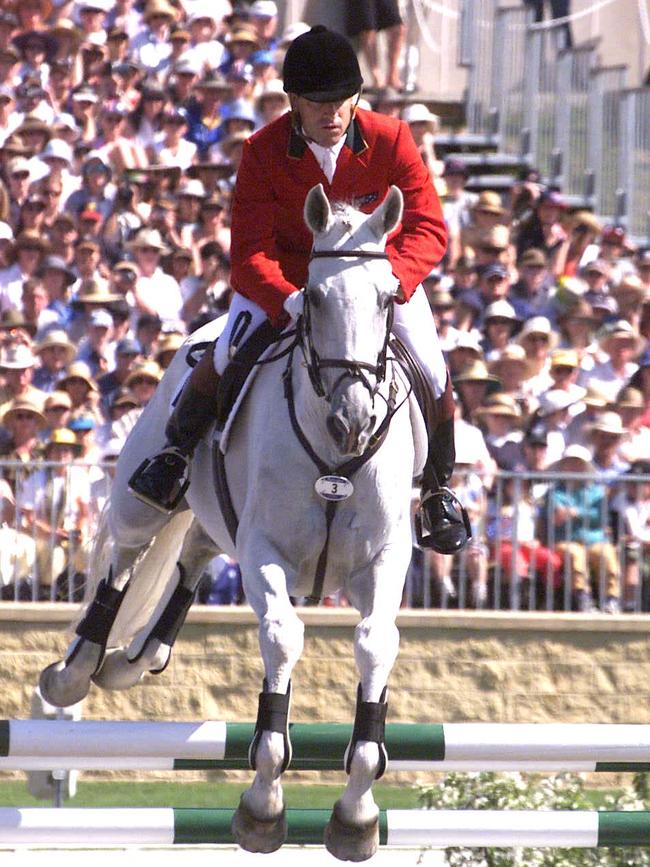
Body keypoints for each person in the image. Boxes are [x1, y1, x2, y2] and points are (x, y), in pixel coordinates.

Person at [129, 26, 470, 556]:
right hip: (286, 282)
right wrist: (289, 299)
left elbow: (428, 229)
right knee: (225, 349)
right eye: (317, 104)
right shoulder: (262, 151)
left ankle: (437, 490)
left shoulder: (393, 138)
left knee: (431, 364)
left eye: (341, 102)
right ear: (293, 101)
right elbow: (249, 253)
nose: (331, 115)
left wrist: (390, 282)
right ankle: (174, 456)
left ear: (356, 97)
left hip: (378, 280)